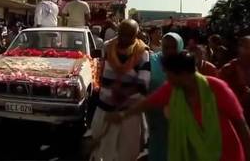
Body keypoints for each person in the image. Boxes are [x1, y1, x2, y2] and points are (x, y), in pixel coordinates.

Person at [106, 52, 250, 161]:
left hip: (226, 155)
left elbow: (240, 123)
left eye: (169, 75)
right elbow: (148, 102)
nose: (167, 78)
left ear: (184, 74)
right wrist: (123, 115)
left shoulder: (217, 88)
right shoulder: (173, 89)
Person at [90, 19, 150, 161]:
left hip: (128, 113)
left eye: (129, 35)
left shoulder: (143, 53)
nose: (125, 38)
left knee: (128, 153)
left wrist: (122, 95)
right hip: (105, 108)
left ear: (136, 35)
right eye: (122, 34)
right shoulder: (107, 47)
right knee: (101, 150)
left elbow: (143, 83)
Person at [147, 32, 184, 161]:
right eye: (166, 47)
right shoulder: (152, 60)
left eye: (173, 47)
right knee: (157, 145)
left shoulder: (185, 63)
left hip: (179, 115)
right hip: (155, 114)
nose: (169, 51)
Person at [220, 36, 250, 124]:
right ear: (239, 48)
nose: (248, 51)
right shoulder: (228, 69)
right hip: (237, 116)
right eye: (246, 47)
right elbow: (223, 95)